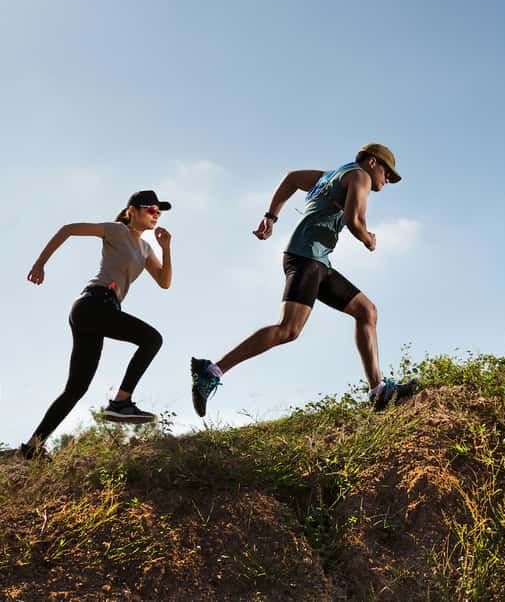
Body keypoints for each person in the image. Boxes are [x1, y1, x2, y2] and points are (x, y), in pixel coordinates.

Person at [190, 143, 417, 416]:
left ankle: (378, 390)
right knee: (289, 329)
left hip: (317, 261)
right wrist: (368, 239)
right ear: (372, 162)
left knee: (366, 311)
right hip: (305, 258)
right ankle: (211, 371)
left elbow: (291, 179)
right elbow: (354, 219)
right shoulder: (360, 176)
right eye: (387, 173)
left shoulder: (328, 175)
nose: (387, 180)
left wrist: (271, 216)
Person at [18, 190, 173, 460]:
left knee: (76, 389)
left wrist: (166, 248)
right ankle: (121, 401)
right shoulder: (115, 230)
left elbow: (164, 281)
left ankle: (32, 447)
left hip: (99, 312)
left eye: (159, 211)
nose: (155, 215)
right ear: (132, 211)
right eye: (150, 209)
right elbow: (67, 229)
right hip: (93, 304)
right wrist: (40, 264)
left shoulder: (145, 248)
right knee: (152, 339)